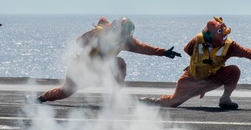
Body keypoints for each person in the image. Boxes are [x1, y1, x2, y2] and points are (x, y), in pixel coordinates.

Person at [148, 16, 251, 110]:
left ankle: (225, 99)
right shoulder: (197, 41)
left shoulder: (230, 46)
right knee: (172, 102)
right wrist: (198, 65)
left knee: (234, 71)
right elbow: (188, 50)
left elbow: (248, 53)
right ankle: (148, 101)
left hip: (212, 79)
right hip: (191, 80)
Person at [37, 16, 181, 103]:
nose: (121, 36)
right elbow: (79, 42)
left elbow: (144, 48)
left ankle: (114, 98)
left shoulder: (126, 41)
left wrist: (163, 52)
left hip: (99, 71)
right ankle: (41, 99)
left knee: (120, 63)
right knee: (65, 92)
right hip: (80, 67)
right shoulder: (99, 32)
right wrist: (92, 34)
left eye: (124, 34)